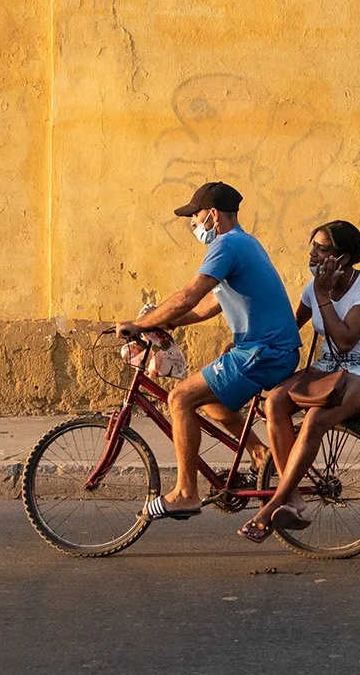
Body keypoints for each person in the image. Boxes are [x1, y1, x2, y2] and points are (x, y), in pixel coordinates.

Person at [119, 181, 300, 521]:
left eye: (196, 216)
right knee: (210, 399)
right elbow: (204, 307)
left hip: (263, 353)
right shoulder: (245, 243)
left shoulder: (226, 246)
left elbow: (188, 295)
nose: (193, 223)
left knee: (180, 399)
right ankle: (259, 452)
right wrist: (166, 322)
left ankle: (186, 493)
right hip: (268, 350)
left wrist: (140, 325)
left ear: (213, 215)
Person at [239, 219, 360, 543]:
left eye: (322, 249)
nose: (313, 255)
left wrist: (322, 296)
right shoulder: (312, 287)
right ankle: (293, 498)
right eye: (313, 247)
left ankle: (273, 504)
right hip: (325, 367)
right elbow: (291, 327)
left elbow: (346, 340)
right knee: (274, 401)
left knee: (315, 420)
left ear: (342, 258)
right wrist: (250, 344)